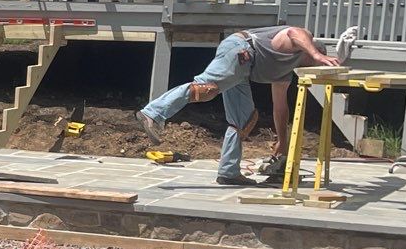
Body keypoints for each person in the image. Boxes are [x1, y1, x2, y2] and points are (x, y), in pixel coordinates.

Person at [138, 22, 359, 186]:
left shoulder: (285, 74)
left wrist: (282, 141)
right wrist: (315, 53)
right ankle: (153, 113)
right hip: (241, 50)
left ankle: (228, 172)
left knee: (243, 120)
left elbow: (280, 108)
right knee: (206, 89)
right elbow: (295, 32)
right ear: (311, 51)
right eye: (315, 61)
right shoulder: (297, 42)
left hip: (244, 70)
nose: (314, 67)